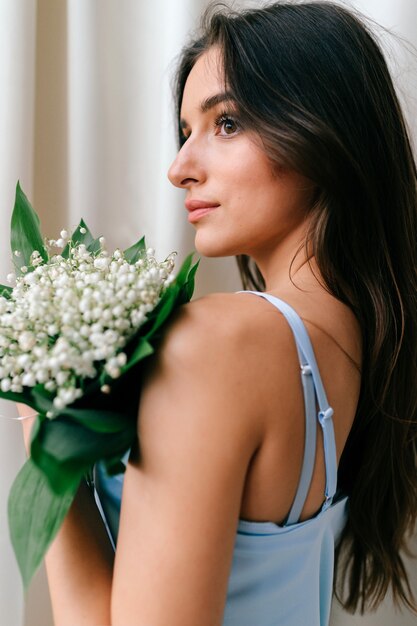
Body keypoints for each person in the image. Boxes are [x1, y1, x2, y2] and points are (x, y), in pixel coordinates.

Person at [20, 1, 417, 624]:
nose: (180, 168)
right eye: (186, 132)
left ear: (321, 133)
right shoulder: (346, 341)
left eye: (226, 123)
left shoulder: (221, 342)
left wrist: (42, 433)